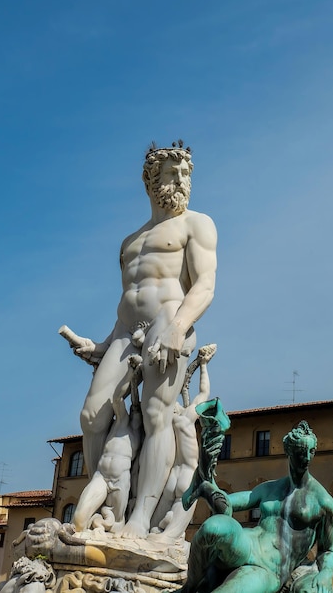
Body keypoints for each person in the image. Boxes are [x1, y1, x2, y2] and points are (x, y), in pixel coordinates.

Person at [62, 142, 217, 539]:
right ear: (151, 181)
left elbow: (204, 285)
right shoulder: (130, 242)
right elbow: (126, 304)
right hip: (127, 333)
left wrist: (179, 326)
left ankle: (140, 520)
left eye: (186, 175)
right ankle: (113, 505)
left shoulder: (196, 224)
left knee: (155, 415)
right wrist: (99, 346)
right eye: (172, 174)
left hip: (169, 322)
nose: (182, 181)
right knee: (92, 416)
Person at [179, 421, 333, 593]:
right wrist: (209, 484)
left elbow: (327, 550)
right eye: (300, 451)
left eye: (311, 451)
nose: (306, 457)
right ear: (289, 451)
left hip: (270, 568)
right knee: (213, 527)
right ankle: (189, 587)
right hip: (247, 544)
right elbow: (229, 504)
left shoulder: (324, 502)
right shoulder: (269, 488)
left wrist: (326, 573)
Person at [149, 344, 216, 543]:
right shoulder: (187, 417)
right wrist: (204, 366)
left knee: (153, 526)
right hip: (188, 473)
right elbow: (204, 392)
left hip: (171, 476)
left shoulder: (164, 422)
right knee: (172, 532)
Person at [72, 355, 143, 534]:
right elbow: (118, 399)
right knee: (79, 517)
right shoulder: (122, 422)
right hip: (101, 477)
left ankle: (99, 530)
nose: (137, 411)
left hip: (122, 481)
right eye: (137, 409)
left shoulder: (142, 438)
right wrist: (130, 374)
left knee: (117, 525)